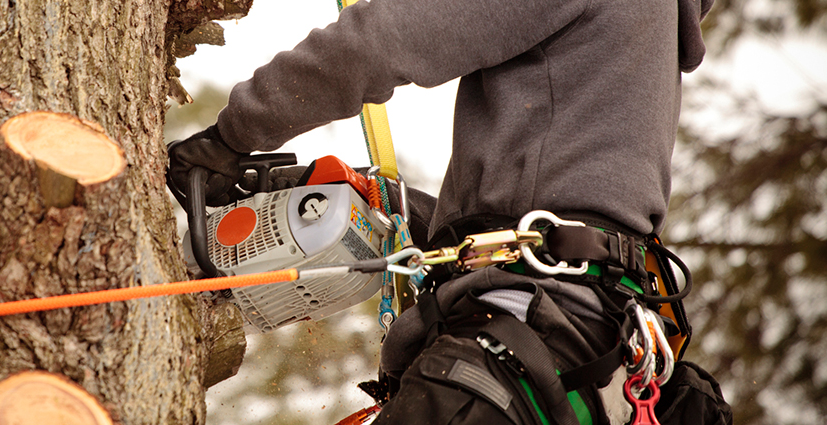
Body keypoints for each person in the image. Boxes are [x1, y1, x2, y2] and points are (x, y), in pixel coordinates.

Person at [168, 0, 732, 423]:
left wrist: (232, 134)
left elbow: (388, 39)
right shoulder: (651, 28)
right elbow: (562, 216)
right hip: (590, 364)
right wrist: (396, 209)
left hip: (518, 351)